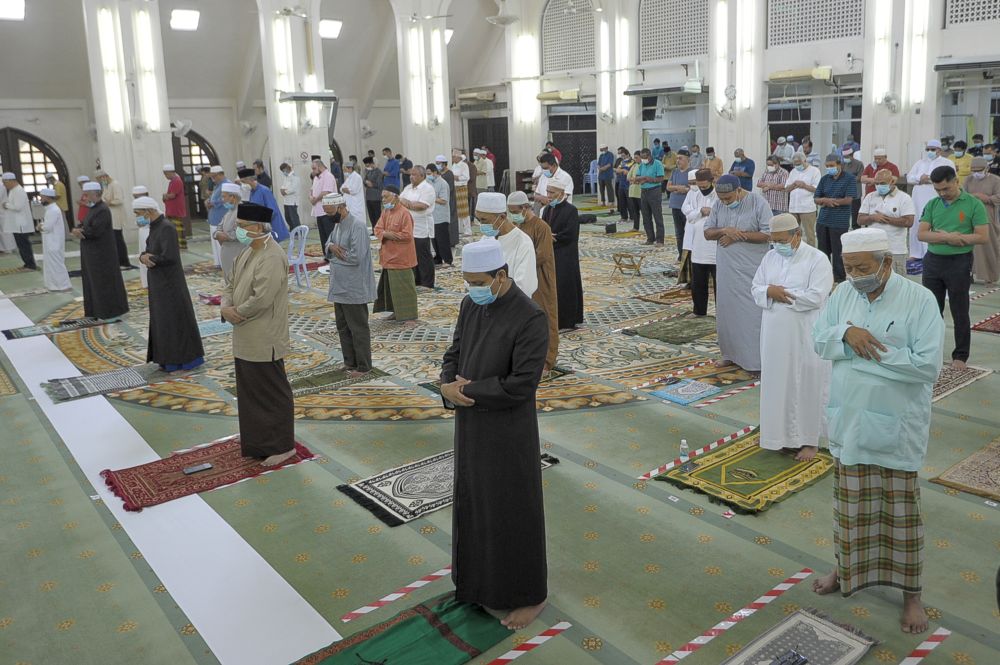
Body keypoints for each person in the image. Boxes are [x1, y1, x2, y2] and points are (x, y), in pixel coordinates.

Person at [811, 227, 945, 635]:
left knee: (900, 515)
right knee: (849, 511)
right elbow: (820, 340)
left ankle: (912, 595)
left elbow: (927, 367)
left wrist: (868, 353)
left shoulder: (919, 300)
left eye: (862, 267)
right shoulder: (843, 294)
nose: (854, 275)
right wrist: (845, 335)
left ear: (887, 263)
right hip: (849, 420)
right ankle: (844, 570)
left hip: (894, 425)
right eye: (848, 267)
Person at [439, 237, 549, 632]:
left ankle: (529, 594)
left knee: (511, 508)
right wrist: (446, 384)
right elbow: (454, 352)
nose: (472, 289)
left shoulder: (530, 317)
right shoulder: (471, 304)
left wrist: (466, 392)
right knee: (474, 501)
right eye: (467, 282)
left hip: (507, 432)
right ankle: (477, 584)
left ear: (501, 276)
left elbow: (521, 384)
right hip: (471, 426)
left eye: (478, 281)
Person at [752, 213, 833, 461]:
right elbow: (756, 287)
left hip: (804, 335)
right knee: (777, 383)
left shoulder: (817, 259)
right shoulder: (770, 256)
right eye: (773, 240)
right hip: (774, 336)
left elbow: (817, 296)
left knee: (805, 384)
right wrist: (769, 290)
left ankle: (809, 441)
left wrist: (782, 294)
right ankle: (775, 435)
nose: (777, 245)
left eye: (781, 240)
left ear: (796, 235)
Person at [221, 203, 296, 467]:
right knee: (251, 393)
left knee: (272, 392)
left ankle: (283, 445)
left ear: (257, 228)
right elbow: (229, 283)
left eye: (242, 227)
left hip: (265, 336)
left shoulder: (272, 256)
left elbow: (262, 298)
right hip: (244, 334)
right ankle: (259, 443)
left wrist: (236, 312)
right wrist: (225, 306)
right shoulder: (246, 252)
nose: (238, 231)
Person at [918, 165, 990, 369]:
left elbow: (982, 236)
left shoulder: (973, 204)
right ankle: (930, 351)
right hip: (933, 261)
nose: (942, 194)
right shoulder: (933, 204)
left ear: (956, 182)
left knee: (959, 310)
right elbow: (922, 234)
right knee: (931, 310)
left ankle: (960, 355)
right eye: (938, 190)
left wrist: (957, 239)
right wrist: (949, 237)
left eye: (946, 189)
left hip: (959, 262)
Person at [703, 174, 771, 372]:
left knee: (751, 314)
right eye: (722, 199)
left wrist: (738, 236)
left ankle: (755, 362)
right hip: (726, 270)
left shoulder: (758, 203)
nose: (725, 202)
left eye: (729, 198)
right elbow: (708, 232)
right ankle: (729, 355)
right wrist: (725, 230)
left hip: (752, 268)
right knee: (727, 311)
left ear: (739, 191)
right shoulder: (718, 204)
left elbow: (768, 234)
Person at [135, 196, 204, 372]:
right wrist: (143, 256)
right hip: (159, 282)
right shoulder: (155, 226)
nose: (138, 217)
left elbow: (170, 256)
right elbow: (151, 249)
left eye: (139, 213)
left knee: (174, 320)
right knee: (163, 320)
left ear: (148, 211)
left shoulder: (166, 227)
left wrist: (151, 258)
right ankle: (166, 359)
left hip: (170, 283)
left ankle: (182, 360)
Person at [323, 194, 376, 376]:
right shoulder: (337, 225)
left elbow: (356, 257)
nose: (329, 217)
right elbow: (328, 244)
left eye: (330, 213)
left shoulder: (357, 226)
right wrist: (331, 247)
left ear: (341, 207)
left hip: (354, 286)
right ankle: (350, 362)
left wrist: (336, 259)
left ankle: (364, 366)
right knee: (343, 326)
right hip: (339, 286)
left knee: (358, 328)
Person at [507, 191, 558, 371]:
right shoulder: (514, 226)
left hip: (540, 278)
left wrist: (519, 262)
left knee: (545, 317)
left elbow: (542, 256)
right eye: (510, 211)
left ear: (526, 208)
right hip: (518, 277)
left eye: (515, 211)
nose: (512, 214)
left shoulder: (541, 227)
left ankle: (547, 360)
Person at [72, 181, 129, 320]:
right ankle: (94, 311)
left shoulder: (103, 209)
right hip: (91, 253)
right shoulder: (94, 209)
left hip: (102, 254)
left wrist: (82, 232)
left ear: (95, 194)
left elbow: (96, 230)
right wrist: (79, 228)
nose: (85, 198)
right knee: (92, 281)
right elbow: (87, 223)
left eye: (87, 195)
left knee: (103, 282)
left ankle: (109, 311)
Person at [373, 185, 419, 321]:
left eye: (386, 196)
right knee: (391, 289)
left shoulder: (404, 213)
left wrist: (387, 234)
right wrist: (387, 234)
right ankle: (396, 312)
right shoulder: (386, 212)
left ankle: (410, 317)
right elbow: (377, 229)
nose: (383, 199)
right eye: (382, 197)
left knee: (405, 289)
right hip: (388, 256)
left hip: (402, 258)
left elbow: (407, 235)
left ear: (396, 197)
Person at [857, 169, 915, 274]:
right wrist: (873, 218)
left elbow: (909, 222)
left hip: (896, 250)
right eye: (877, 183)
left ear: (892, 182)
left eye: (882, 183)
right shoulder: (870, 196)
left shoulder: (904, 198)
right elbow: (860, 220)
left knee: (897, 283)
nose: (879, 186)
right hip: (873, 249)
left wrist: (886, 219)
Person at [542, 181, 583, 331]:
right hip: (551, 253)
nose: (549, 195)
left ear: (560, 193)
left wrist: (555, 237)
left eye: (552, 192)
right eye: (547, 192)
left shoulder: (571, 210)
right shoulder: (547, 209)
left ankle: (568, 320)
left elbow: (571, 234)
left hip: (566, 254)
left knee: (566, 285)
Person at [479, 192, 537, 298]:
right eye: (479, 220)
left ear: (502, 217)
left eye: (484, 220)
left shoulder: (522, 242)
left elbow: (524, 286)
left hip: (512, 305)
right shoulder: (485, 239)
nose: (481, 225)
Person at [906, 139, 954, 259]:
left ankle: (931, 251)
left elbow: (952, 177)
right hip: (918, 196)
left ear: (939, 150)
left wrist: (932, 179)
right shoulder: (920, 163)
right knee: (917, 222)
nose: (930, 152)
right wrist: (919, 178)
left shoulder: (946, 162)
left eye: (933, 149)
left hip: (935, 195)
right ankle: (916, 253)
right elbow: (909, 178)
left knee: (934, 222)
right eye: (928, 149)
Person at [814, 153, 857, 282]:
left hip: (839, 222)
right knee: (823, 252)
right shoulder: (824, 179)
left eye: (831, 166)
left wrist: (833, 202)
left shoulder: (849, 179)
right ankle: (825, 277)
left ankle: (839, 279)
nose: (829, 168)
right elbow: (816, 198)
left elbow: (849, 200)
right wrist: (824, 200)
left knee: (838, 253)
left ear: (840, 165)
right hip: (823, 221)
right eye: (827, 166)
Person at [682, 169, 719, 317]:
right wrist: (701, 211)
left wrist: (706, 212)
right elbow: (688, 214)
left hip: (715, 248)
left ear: (712, 182)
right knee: (698, 283)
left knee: (719, 284)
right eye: (700, 186)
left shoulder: (719, 195)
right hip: (698, 245)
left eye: (705, 186)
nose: (703, 189)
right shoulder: (694, 194)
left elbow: (719, 216)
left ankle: (721, 312)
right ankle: (699, 311)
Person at [399, 165, 437, 288]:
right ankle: (416, 279)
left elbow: (421, 206)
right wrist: (408, 204)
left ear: (422, 176)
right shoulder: (408, 188)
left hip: (422, 227)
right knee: (411, 254)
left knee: (423, 255)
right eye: (410, 174)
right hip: (407, 226)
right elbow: (399, 200)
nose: (411, 177)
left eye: (414, 174)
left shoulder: (428, 188)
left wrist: (407, 203)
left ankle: (427, 282)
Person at [966, 156, 1000, 284]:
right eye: (974, 170)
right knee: (969, 246)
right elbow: (963, 194)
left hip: (988, 216)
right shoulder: (969, 179)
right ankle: (969, 274)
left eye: (979, 170)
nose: (976, 173)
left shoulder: (995, 180)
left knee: (989, 245)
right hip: (970, 216)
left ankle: (990, 276)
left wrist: (987, 198)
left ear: (986, 169)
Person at [238, 168, 289, 242]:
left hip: (273, 228)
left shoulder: (264, 191)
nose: (242, 185)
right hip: (261, 229)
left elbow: (272, 212)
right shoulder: (252, 192)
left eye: (243, 182)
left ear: (249, 180)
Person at [96, 170, 133, 269]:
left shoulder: (115, 184)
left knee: (118, 239)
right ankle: (116, 261)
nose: (101, 182)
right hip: (110, 216)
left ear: (105, 177)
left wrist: (109, 203)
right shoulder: (107, 186)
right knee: (113, 240)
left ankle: (124, 262)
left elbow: (119, 200)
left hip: (117, 216)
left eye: (100, 179)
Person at [36, 187, 72, 292]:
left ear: (48, 198)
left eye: (42, 197)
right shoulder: (51, 209)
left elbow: (47, 227)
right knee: (51, 265)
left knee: (57, 265)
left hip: (54, 243)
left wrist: (39, 227)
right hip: (51, 241)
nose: (41, 199)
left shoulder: (53, 210)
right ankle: (54, 285)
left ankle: (64, 285)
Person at [1, 173, 38, 270]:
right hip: (17, 224)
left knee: (24, 245)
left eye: (5, 183)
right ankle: (27, 263)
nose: (5, 186)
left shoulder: (19, 191)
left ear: (10, 181)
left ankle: (31, 264)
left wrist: (6, 205)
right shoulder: (13, 190)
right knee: (21, 245)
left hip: (21, 224)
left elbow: (18, 207)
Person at [784, 152, 822, 246]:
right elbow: (786, 189)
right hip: (793, 207)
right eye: (795, 164)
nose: (797, 166)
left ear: (805, 160)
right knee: (793, 233)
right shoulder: (793, 171)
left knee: (810, 234)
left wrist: (804, 185)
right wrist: (794, 184)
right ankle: (795, 251)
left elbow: (817, 189)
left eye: (799, 163)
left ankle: (811, 255)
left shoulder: (814, 171)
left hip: (807, 208)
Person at [214, 182, 245, 282]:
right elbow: (219, 227)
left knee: (239, 282)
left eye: (224, 197)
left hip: (238, 252)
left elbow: (242, 232)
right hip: (227, 254)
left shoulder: (243, 211)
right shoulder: (229, 212)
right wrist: (218, 234)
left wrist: (226, 237)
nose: (222, 200)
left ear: (233, 197)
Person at [636, 148, 666, 246]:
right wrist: (641, 179)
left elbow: (661, 178)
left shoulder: (657, 164)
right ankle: (650, 238)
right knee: (646, 217)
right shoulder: (642, 165)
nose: (643, 159)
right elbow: (637, 177)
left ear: (649, 156)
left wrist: (649, 179)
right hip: (644, 192)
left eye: (644, 157)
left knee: (657, 216)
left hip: (654, 191)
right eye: (642, 158)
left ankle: (660, 240)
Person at [427, 164, 453, 268]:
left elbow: (443, 200)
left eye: (429, 173)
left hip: (441, 216)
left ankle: (447, 259)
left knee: (443, 239)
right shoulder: (429, 182)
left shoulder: (443, 183)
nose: (428, 175)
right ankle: (438, 258)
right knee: (434, 239)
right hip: (432, 215)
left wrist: (431, 198)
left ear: (435, 172)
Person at [666, 149, 691, 258]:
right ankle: (681, 255)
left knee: (689, 232)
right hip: (675, 205)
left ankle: (689, 255)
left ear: (688, 160)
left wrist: (685, 190)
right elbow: (668, 187)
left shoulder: (692, 172)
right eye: (677, 158)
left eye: (680, 158)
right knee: (679, 232)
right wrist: (678, 187)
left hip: (688, 207)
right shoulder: (674, 172)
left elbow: (695, 188)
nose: (678, 161)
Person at [309, 158, 338, 249]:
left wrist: (315, 199)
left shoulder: (328, 176)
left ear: (320, 167)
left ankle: (333, 257)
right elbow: (311, 190)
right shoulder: (317, 178)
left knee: (330, 234)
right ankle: (326, 256)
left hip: (328, 211)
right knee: (323, 235)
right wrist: (310, 197)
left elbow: (326, 192)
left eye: (314, 168)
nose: (313, 171)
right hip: (318, 211)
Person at [206, 166, 230, 265]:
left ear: (221, 174)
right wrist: (209, 201)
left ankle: (223, 263)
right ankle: (218, 263)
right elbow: (214, 197)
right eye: (211, 177)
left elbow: (226, 199)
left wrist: (213, 203)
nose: (213, 179)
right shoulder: (218, 185)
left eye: (214, 177)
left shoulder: (227, 184)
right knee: (215, 243)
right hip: (214, 218)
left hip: (221, 218)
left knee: (221, 244)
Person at [161, 164, 189, 248]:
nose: (165, 176)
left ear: (170, 172)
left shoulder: (176, 181)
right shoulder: (173, 181)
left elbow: (172, 195)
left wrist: (165, 196)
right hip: (172, 208)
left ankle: (180, 245)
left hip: (175, 209)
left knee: (177, 228)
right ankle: (177, 244)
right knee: (173, 227)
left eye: (166, 174)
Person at [437, 155, 460, 247]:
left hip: (449, 200)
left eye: (438, 163)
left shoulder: (449, 174)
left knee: (451, 219)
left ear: (444, 164)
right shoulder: (440, 173)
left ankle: (452, 241)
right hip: (442, 199)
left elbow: (448, 188)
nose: (437, 165)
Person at [339, 161, 366, 227]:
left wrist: (346, 190)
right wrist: (345, 190)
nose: (344, 172)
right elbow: (341, 189)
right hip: (348, 206)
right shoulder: (348, 178)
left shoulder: (357, 177)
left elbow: (353, 191)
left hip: (356, 206)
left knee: (358, 224)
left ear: (350, 168)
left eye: (344, 170)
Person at [362, 156, 384, 233]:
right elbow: (364, 181)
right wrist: (366, 182)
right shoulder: (367, 172)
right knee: (371, 216)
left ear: (372, 164)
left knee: (377, 215)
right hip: (368, 196)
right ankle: (374, 230)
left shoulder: (378, 172)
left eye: (368, 165)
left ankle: (379, 230)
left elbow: (379, 184)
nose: (367, 167)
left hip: (376, 196)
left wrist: (372, 184)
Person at [278, 163, 300, 231]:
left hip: (292, 201)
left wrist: (285, 192)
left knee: (294, 218)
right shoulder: (286, 177)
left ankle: (298, 231)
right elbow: (283, 186)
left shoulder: (295, 176)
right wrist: (282, 191)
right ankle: (292, 230)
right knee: (288, 217)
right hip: (286, 201)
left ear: (287, 168)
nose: (283, 172)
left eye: (283, 170)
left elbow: (293, 189)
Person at [614, 147, 633, 224]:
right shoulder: (622, 162)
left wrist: (623, 171)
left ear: (628, 154)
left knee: (630, 202)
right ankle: (623, 217)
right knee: (622, 201)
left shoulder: (632, 162)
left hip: (628, 185)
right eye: (622, 156)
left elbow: (629, 172)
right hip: (621, 184)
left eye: (624, 155)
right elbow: (617, 170)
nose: (623, 157)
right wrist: (623, 170)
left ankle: (632, 217)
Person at [626, 150, 643, 231]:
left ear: (641, 157)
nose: (635, 159)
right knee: (635, 211)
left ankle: (648, 228)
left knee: (644, 212)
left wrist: (635, 179)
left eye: (637, 158)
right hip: (632, 191)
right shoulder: (634, 166)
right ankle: (635, 227)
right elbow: (628, 177)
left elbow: (642, 178)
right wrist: (635, 179)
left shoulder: (644, 166)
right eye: (634, 158)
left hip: (640, 192)